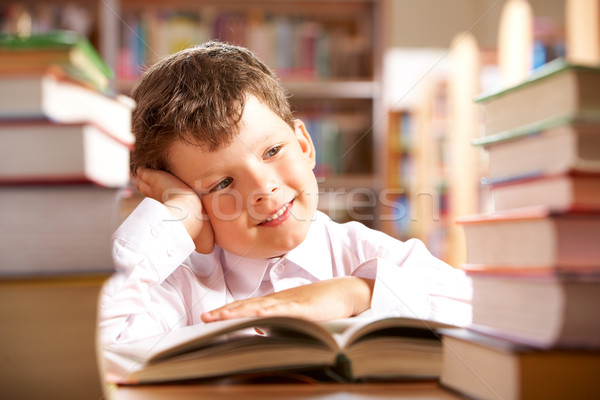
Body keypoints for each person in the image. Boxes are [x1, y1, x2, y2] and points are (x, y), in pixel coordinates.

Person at [99, 41, 471, 348]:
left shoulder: (365, 253)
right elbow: (93, 343)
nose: (264, 189)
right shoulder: (178, 286)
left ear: (305, 144)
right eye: (222, 184)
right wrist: (175, 216)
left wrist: (357, 292)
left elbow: (480, 310)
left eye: (273, 151)